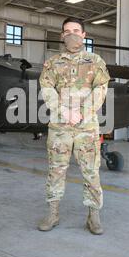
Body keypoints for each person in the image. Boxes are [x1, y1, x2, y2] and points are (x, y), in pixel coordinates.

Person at [38, 17, 111, 235]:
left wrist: (81, 113)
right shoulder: (52, 63)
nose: (71, 34)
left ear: (84, 35)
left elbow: (101, 90)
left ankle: (93, 216)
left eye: (76, 30)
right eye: (67, 31)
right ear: (62, 36)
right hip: (60, 127)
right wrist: (65, 112)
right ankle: (53, 213)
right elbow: (47, 89)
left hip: (86, 127)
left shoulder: (95, 61)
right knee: (56, 170)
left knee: (91, 171)